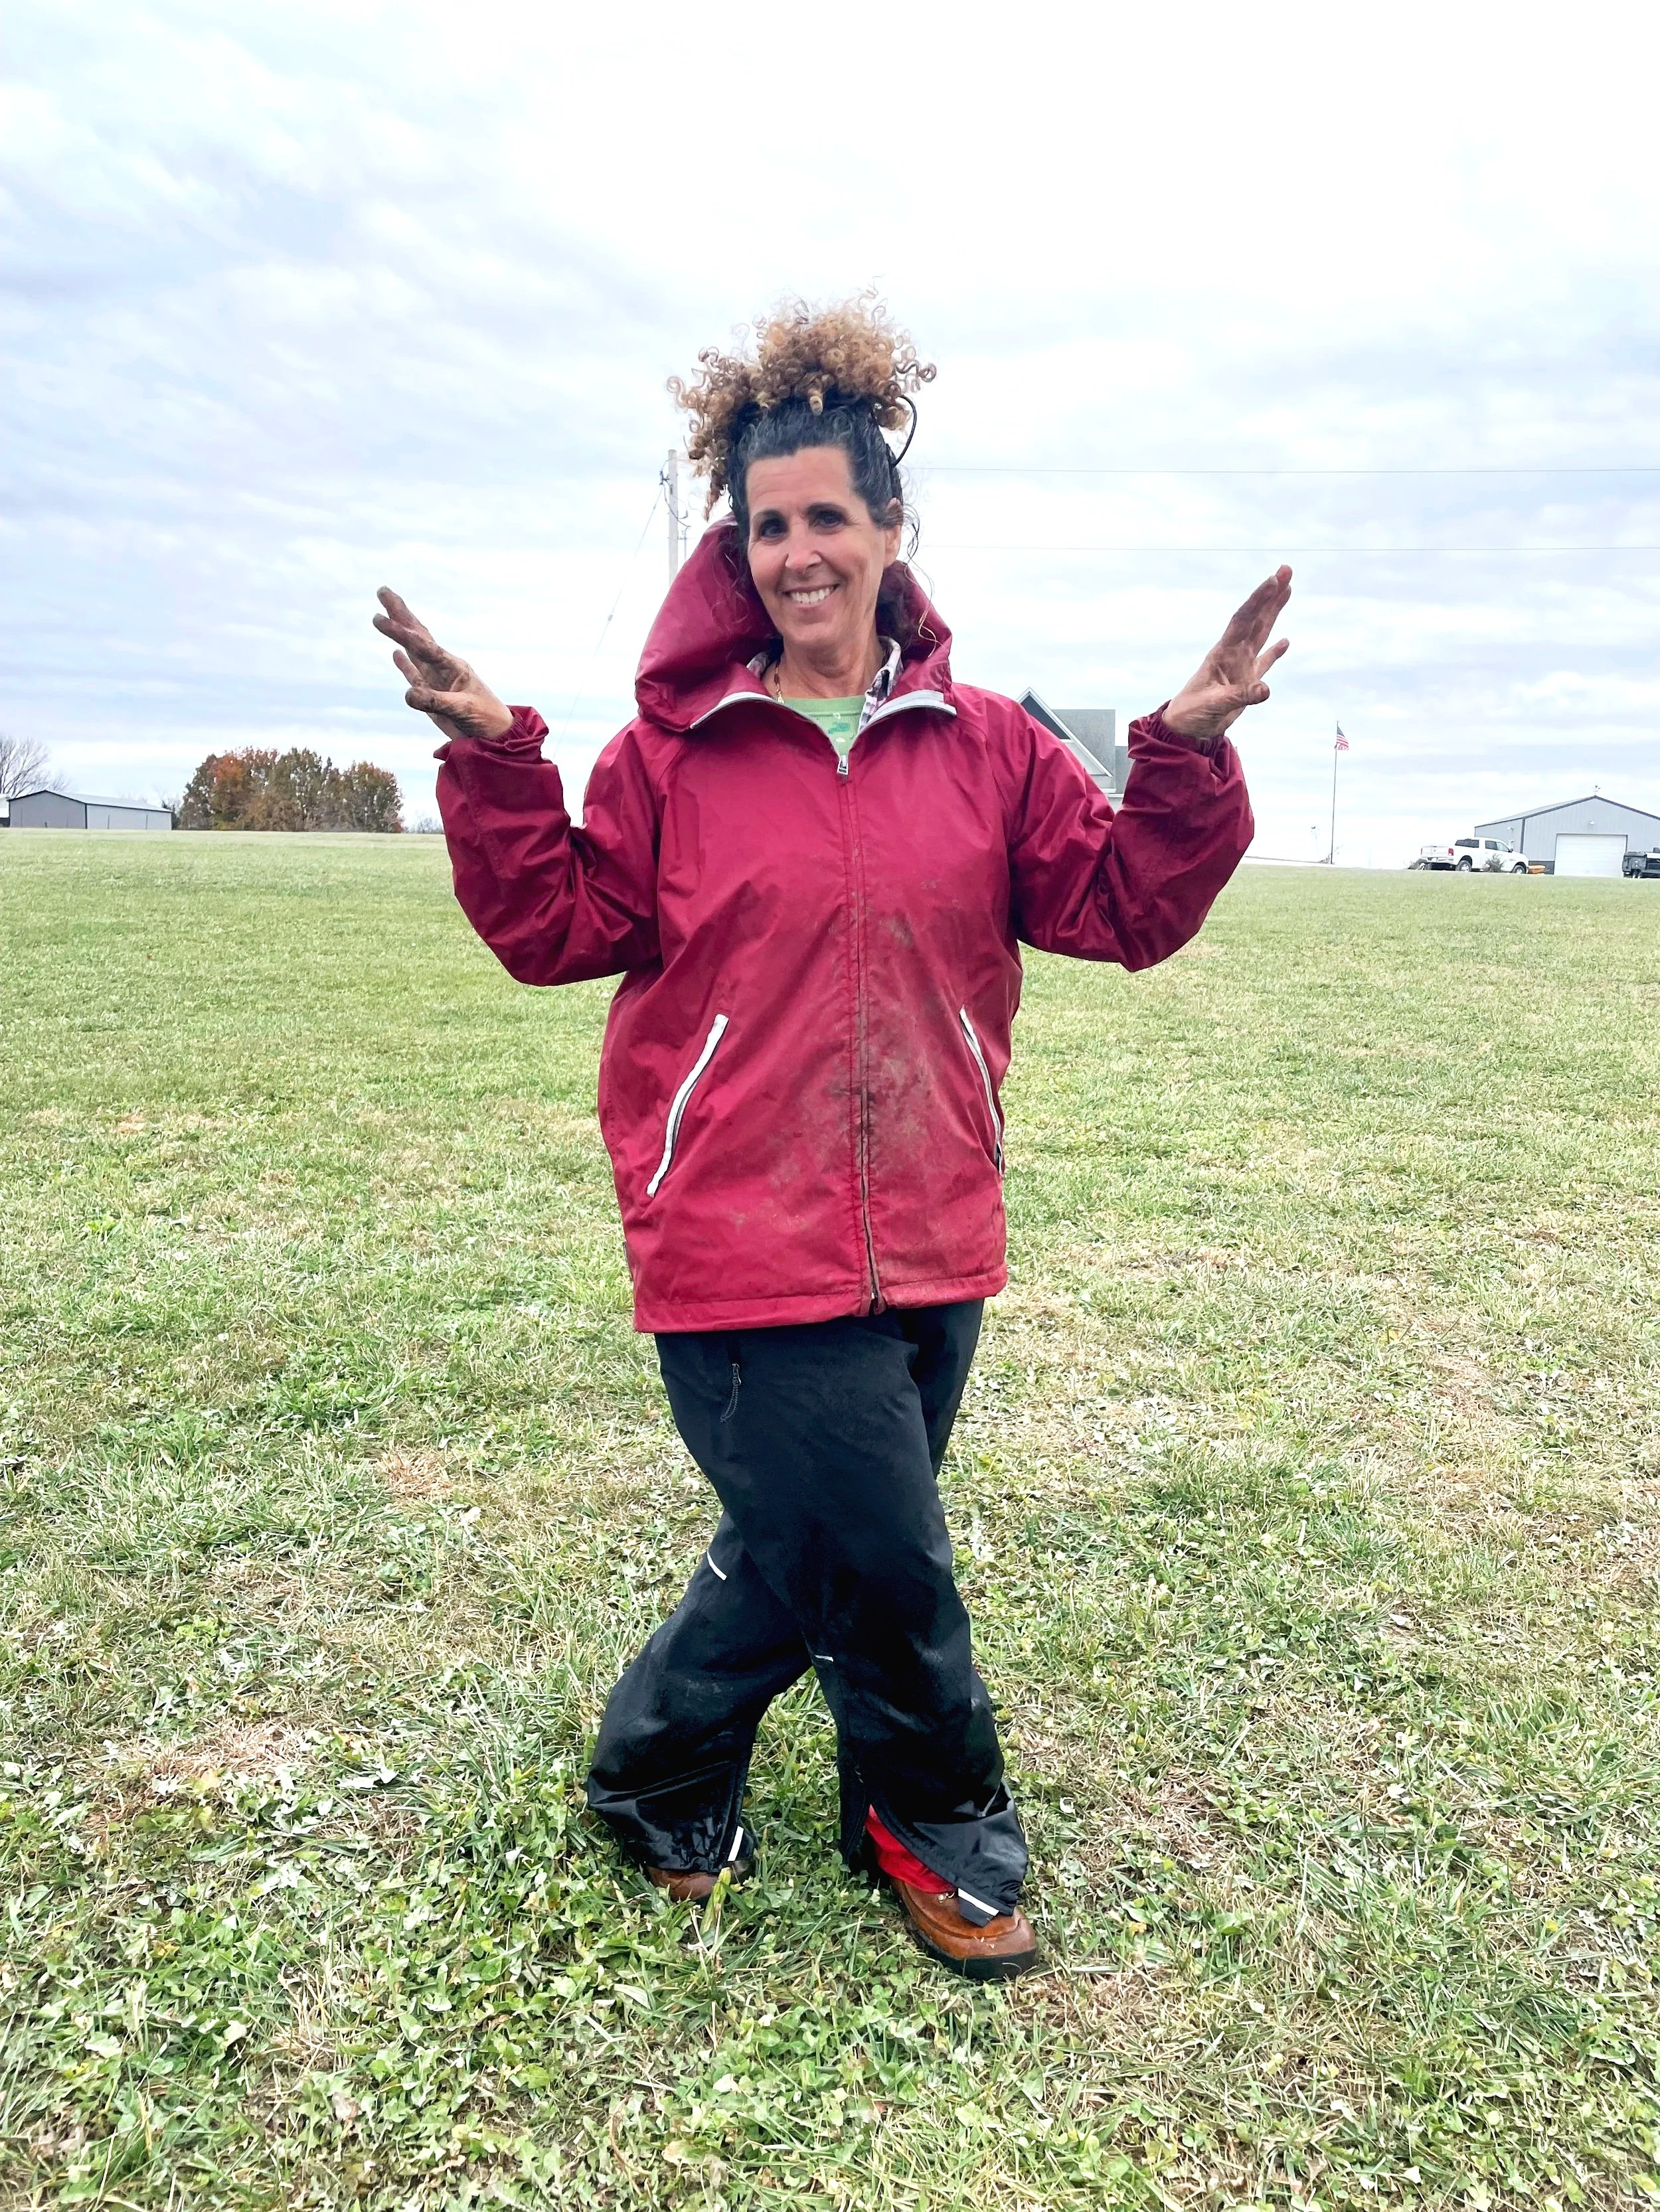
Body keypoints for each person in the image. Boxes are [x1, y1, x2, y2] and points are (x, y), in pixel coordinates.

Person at [373, 298, 1287, 1982]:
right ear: (737, 550)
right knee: (886, 1563)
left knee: (807, 1552)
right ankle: (933, 1820)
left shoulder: (992, 744)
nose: (797, 552)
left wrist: (1186, 756)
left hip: (934, 1228)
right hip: (736, 1240)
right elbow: (553, 926)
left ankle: (653, 1775)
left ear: (887, 532)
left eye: (824, 518)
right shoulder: (674, 757)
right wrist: (499, 757)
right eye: (766, 525)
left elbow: (1118, 906)